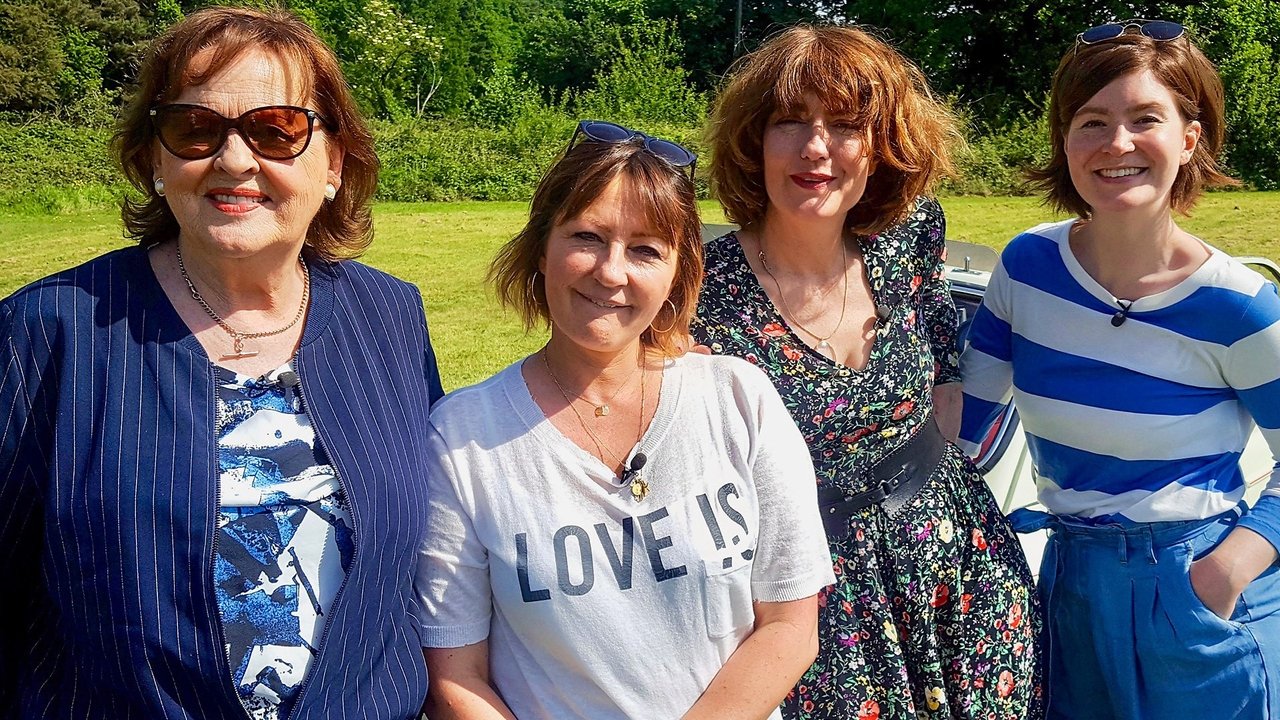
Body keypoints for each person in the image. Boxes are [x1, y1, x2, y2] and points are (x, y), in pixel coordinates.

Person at [0, 7, 444, 719]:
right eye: (195, 129)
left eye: (277, 130)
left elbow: (428, 562)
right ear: (155, 158)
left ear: (333, 161)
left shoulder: (389, 316)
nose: (235, 160)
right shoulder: (52, 330)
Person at [415, 120, 835, 719]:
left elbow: (791, 624)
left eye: (645, 250)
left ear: (678, 273)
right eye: (587, 237)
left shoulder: (739, 399)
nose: (611, 273)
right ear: (542, 248)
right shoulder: (461, 439)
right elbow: (455, 674)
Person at [694, 25, 1042, 719]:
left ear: (880, 146)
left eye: (847, 125)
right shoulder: (700, 292)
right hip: (816, 615)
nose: (816, 148)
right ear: (752, 142)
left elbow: (945, 368)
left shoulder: (909, 236)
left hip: (963, 578)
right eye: (790, 122)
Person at [959, 19, 1280, 718]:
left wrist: (1229, 569)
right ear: (1065, 142)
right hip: (1070, 584)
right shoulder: (1026, 267)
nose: (1117, 144)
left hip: (1197, 591)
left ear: (1189, 138)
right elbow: (966, 423)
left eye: (1145, 118)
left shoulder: (1240, 306)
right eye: (1092, 122)